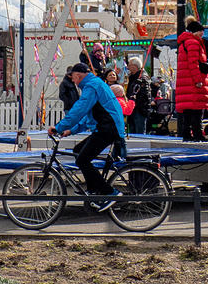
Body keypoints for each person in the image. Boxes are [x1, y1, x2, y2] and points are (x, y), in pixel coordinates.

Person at [50, 62, 125, 206]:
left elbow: (79, 110)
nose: (73, 81)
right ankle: (93, 190)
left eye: (73, 77)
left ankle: (109, 193)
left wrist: (58, 127)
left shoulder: (91, 86)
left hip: (108, 128)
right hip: (107, 127)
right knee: (78, 150)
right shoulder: (94, 84)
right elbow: (87, 117)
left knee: (82, 160)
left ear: (78, 74)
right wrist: (70, 130)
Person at [175, 18, 208, 142]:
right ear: (195, 31)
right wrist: (198, 80)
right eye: (200, 31)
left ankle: (187, 133)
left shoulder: (185, 42)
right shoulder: (194, 43)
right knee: (197, 110)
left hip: (186, 81)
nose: (202, 33)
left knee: (188, 110)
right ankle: (197, 133)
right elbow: (193, 63)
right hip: (193, 81)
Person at [125, 55, 152, 134]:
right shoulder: (133, 78)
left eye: (129, 65)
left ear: (135, 66)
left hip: (139, 110)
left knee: (139, 133)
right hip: (132, 110)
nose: (128, 67)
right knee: (132, 132)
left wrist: (137, 107)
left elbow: (144, 95)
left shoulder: (142, 79)